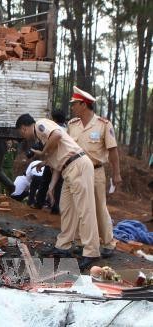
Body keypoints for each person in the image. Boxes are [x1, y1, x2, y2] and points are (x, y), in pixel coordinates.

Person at [16, 113, 100, 270]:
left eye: (22, 132)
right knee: (66, 208)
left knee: (85, 210)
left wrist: (43, 153)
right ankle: (64, 246)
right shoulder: (43, 138)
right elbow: (57, 162)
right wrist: (51, 186)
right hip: (68, 169)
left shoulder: (40, 125)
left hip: (78, 165)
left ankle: (91, 251)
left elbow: (58, 134)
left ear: (24, 128)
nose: (24, 136)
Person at [67, 86, 122, 258]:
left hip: (96, 171)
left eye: (75, 104)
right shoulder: (72, 125)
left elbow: (112, 151)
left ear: (83, 105)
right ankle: (79, 241)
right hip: (76, 172)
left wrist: (116, 174)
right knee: (78, 207)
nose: (72, 107)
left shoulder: (103, 125)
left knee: (98, 206)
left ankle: (108, 243)